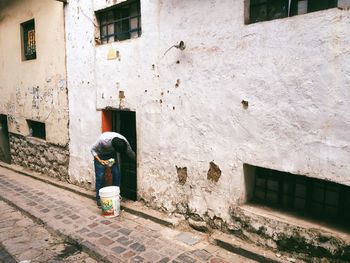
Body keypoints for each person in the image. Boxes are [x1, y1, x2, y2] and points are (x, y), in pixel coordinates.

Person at [91, 132, 135, 206]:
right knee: (100, 177)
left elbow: (130, 153)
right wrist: (100, 160)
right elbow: (92, 150)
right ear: (113, 147)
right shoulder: (102, 140)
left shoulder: (124, 142)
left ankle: (116, 195)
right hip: (100, 155)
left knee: (116, 174)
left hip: (111, 154)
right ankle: (99, 198)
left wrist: (136, 160)